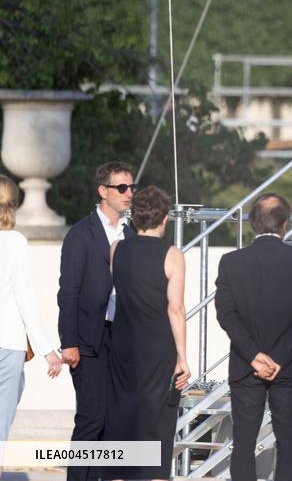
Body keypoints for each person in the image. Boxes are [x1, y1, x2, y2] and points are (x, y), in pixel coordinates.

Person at [216, 193, 292, 481]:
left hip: (245, 366)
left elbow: (226, 314)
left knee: (244, 444)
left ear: (252, 224)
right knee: (287, 445)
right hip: (288, 366)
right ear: (285, 224)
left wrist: (254, 356)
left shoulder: (231, 262)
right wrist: (278, 358)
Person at [103, 185, 189, 481]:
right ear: (165, 218)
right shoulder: (172, 255)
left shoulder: (117, 249)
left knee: (122, 417)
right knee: (157, 423)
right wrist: (183, 357)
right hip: (158, 348)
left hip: (124, 345)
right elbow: (175, 309)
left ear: (135, 216)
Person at [57, 161, 136, 481]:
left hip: (121, 340)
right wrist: (69, 342)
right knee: (91, 418)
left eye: (131, 187)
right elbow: (68, 292)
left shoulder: (130, 234)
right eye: (121, 188)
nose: (129, 194)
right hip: (88, 340)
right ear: (102, 191)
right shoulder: (81, 233)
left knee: (113, 421)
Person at [0, 175, 62, 443]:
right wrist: (48, 350)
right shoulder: (16, 243)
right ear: (14, 204)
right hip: (9, 345)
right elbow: (26, 300)